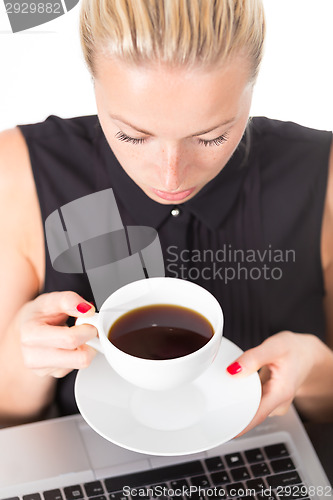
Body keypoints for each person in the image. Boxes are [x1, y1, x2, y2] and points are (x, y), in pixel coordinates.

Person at [0, 0, 332, 431]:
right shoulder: (19, 172)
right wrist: (23, 355)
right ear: (93, 84)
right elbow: (7, 422)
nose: (170, 175)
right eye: (132, 136)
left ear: (253, 87)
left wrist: (316, 370)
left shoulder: (321, 177)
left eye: (211, 137)